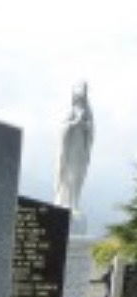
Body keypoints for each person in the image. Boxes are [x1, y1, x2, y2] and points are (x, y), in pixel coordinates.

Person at [55, 82, 94, 214]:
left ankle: (75, 202)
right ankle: (65, 201)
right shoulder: (70, 110)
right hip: (69, 151)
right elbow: (62, 128)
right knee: (68, 176)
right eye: (78, 98)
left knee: (78, 176)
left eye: (82, 99)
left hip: (80, 150)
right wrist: (74, 123)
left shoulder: (88, 113)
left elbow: (91, 130)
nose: (80, 101)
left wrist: (86, 126)